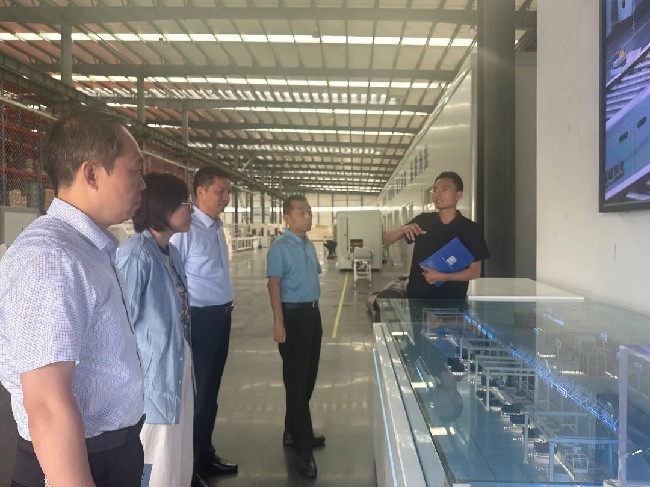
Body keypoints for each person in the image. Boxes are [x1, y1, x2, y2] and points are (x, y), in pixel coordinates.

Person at [0, 110, 146, 487]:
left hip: (107, 453)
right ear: (91, 174)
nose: (142, 184)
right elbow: (47, 404)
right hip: (74, 463)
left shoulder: (86, 249)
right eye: (134, 171)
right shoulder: (52, 259)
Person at [115, 173, 199, 487]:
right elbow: (121, 327)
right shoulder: (137, 256)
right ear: (162, 206)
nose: (190, 209)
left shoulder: (171, 253)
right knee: (157, 463)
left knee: (177, 459)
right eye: (184, 202)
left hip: (177, 373)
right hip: (153, 384)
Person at [170, 167, 238, 479]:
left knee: (211, 393)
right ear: (200, 192)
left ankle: (205, 454)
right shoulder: (187, 230)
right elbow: (174, 278)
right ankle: (190, 467)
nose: (226, 198)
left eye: (228, 192)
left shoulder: (215, 229)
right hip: (200, 321)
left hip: (221, 318)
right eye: (220, 192)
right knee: (198, 396)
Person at [266, 195, 324, 478]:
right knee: (297, 381)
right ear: (287, 218)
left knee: (308, 377)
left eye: (309, 211)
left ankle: (292, 430)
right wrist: (279, 321)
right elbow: (273, 284)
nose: (308, 216)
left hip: (312, 314)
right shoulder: (280, 247)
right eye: (301, 212)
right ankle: (303, 447)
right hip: (293, 318)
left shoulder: (308, 245)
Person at [383, 171, 489, 302]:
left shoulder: (471, 229)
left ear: (458, 195)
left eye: (444, 189)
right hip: (417, 300)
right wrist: (402, 230)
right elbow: (386, 239)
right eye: (435, 190)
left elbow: (475, 272)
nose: (437, 194)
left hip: (452, 303)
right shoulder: (423, 221)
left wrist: (443, 276)